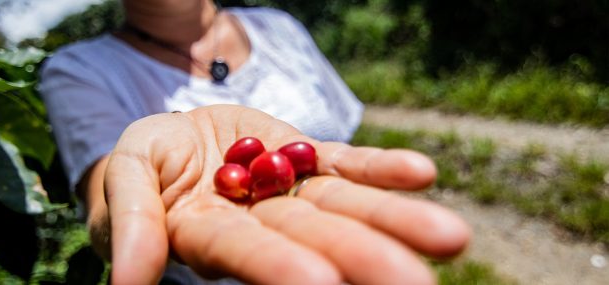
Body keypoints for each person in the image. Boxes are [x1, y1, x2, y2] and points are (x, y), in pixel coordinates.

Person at [39, 1, 471, 284]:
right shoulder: (78, 69)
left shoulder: (277, 28)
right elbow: (102, 203)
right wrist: (137, 209)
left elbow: (343, 150)